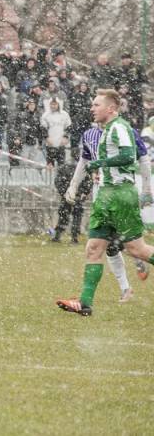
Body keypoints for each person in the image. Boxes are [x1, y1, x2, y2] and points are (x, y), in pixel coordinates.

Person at [57, 89, 154, 316]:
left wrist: (99, 163)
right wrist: (75, 183)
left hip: (120, 194)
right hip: (105, 195)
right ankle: (84, 303)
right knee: (94, 248)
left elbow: (129, 156)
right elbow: (86, 161)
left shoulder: (119, 127)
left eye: (96, 105)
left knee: (137, 249)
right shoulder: (101, 131)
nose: (92, 108)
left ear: (111, 108)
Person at [52, 162, 91, 245]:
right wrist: (83, 192)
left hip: (68, 195)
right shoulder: (82, 168)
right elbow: (88, 181)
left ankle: (58, 236)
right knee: (76, 216)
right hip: (76, 195)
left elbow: (57, 181)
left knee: (63, 216)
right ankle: (74, 238)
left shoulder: (64, 168)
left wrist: (64, 193)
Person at [116, 53, 149, 130]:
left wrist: (130, 88)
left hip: (136, 96)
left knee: (138, 116)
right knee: (124, 115)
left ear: (131, 59)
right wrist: (119, 89)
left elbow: (144, 82)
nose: (126, 60)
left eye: (127, 58)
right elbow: (115, 82)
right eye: (124, 59)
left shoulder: (138, 68)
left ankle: (137, 131)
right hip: (123, 97)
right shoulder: (119, 70)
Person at [40, 99, 71, 168]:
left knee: (61, 166)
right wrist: (47, 137)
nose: (53, 106)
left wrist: (65, 137)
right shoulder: (46, 115)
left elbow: (69, 127)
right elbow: (43, 128)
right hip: (50, 145)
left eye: (55, 104)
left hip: (61, 144)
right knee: (50, 166)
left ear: (58, 104)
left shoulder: (64, 114)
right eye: (51, 104)